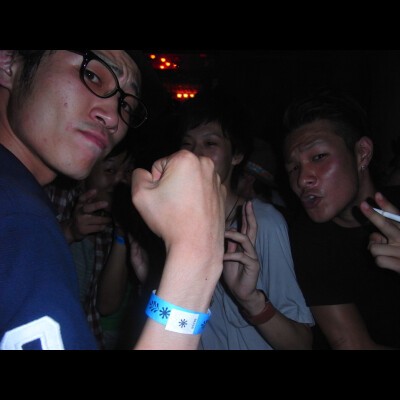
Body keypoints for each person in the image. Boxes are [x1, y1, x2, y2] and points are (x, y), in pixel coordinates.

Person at [0, 50, 226, 350]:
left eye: (126, 105)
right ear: (8, 61)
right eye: (92, 75)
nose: (113, 119)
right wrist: (196, 252)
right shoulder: (18, 216)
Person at [178, 86, 314, 350]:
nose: (194, 154)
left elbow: (300, 343)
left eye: (210, 143)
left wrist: (251, 300)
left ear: (237, 155)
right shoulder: (177, 226)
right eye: (187, 143)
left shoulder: (262, 223)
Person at [282, 87, 400, 349]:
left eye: (318, 157)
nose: (302, 179)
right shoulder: (307, 240)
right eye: (293, 167)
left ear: (362, 153)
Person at [44, 136, 148, 349]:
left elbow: (106, 306)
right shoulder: (53, 197)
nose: (120, 181)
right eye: (110, 170)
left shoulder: (115, 224)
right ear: (86, 169)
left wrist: (121, 235)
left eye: (126, 172)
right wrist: (70, 231)